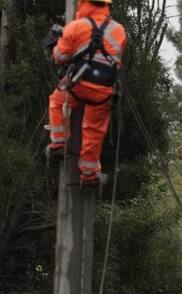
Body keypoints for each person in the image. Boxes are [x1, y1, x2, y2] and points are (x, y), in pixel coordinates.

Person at [46, 0, 126, 188]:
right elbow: (116, 59)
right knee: (94, 130)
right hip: (103, 91)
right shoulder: (119, 30)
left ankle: (58, 144)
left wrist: (57, 40)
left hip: (77, 86)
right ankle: (89, 175)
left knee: (57, 101)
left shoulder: (76, 26)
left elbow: (59, 57)